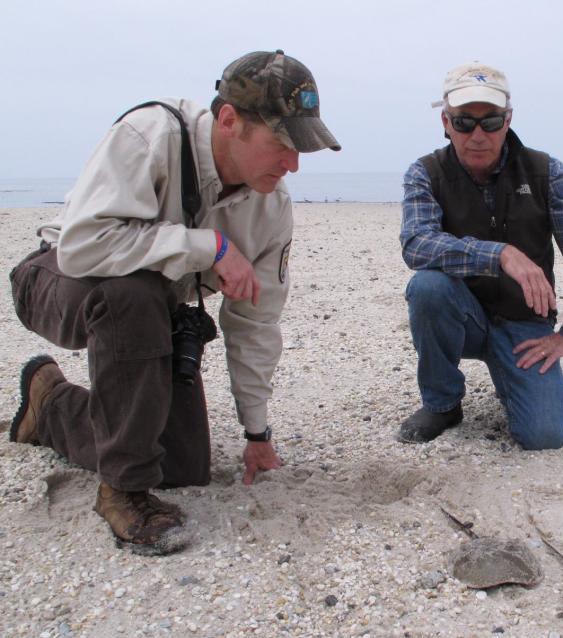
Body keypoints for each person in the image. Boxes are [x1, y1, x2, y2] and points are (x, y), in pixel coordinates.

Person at [8, 50, 340, 555]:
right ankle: (123, 492)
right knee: (133, 293)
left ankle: (48, 402)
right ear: (230, 120)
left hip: (149, 313)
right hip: (58, 279)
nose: (293, 164)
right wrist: (210, 247)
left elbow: (255, 320)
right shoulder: (151, 135)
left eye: (302, 148)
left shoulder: (272, 206)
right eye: (283, 143)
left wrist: (256, 431)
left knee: (182, 465)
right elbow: (81, 248)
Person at [398, 62, 563, 450]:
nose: (478, 135)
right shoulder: (425, 173)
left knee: (544, 436)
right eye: (465, 122)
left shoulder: (545, 172)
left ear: (509, 119)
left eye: (492, 121)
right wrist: (499, 254)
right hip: (460, 316)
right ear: (446, 121)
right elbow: (416, 243)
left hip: (524, 326)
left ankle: (510, 376)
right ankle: (443, 403)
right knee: (427, 287)